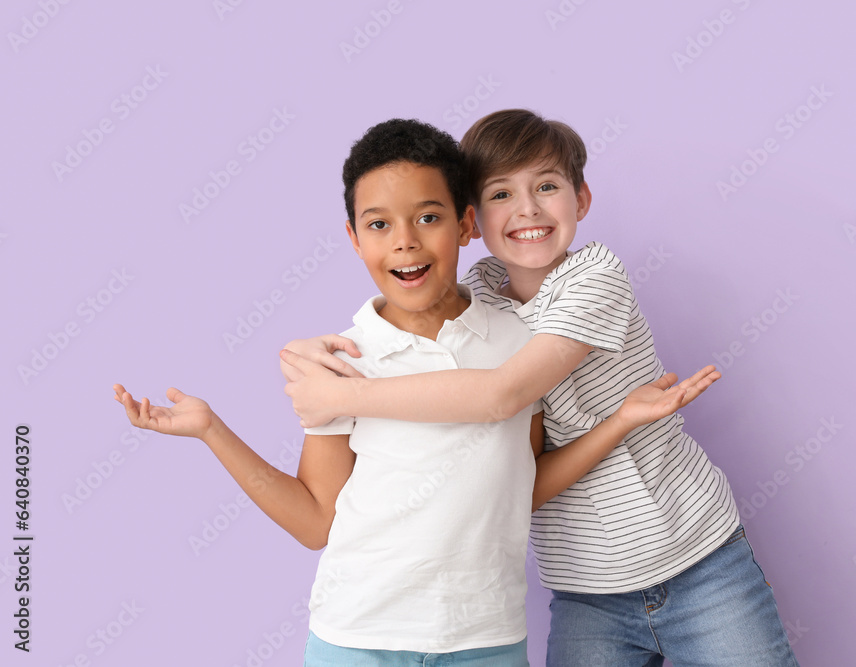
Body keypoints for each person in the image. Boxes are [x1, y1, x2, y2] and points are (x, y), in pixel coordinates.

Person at [113, 117, 718, 666]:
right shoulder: (341, 361)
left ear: (464, 225)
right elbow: (315, 522)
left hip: (487, 639)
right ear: (354, 238)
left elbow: (522, 483)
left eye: (428, 217)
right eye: (379, 225)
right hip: (356, 637)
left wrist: (617, 423)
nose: (404, 241)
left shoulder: (518, 333)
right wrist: (212, 431)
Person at [279, 109, 799, 666]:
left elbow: (499, 396)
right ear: (474, 221)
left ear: (581, 200)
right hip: (585, 586)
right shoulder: (481, 306)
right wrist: (298, 351)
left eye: (546, 187)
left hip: (696, 554)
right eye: (502, 194)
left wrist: (343, 398)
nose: (527, 209)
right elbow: (506, 476)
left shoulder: (597, 276)